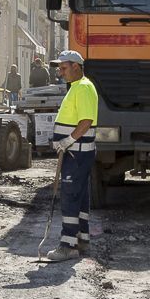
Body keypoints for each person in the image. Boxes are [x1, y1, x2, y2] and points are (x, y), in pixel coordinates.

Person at [41, 50, 98, 263]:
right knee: (80, 197)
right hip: (77, 153)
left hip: (76, 153)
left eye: (63, 68)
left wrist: (67, 141)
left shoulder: (82, 88)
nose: (60, 72)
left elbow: (86, 122)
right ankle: (82, 239)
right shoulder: (77, 87)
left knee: (70, 197)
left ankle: (68, 246)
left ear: (76, 66)